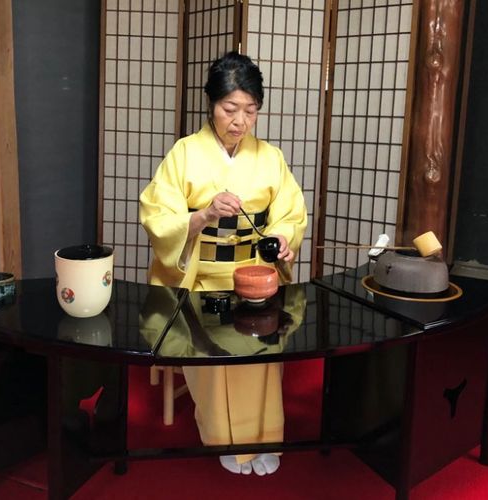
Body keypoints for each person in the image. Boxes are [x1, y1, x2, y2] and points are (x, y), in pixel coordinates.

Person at [139, 51, 307, 476]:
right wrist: (204, 216)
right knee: (212, 354)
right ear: (210, 104)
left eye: (251, 110)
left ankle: (266, 436)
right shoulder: (184, 154)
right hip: (200, 275)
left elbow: (290, 211)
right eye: (230, 108)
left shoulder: (270, 157)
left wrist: (283, 239)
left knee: (262, 352)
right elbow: (159, 218)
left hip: (254, 276)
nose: (240, 120)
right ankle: (221, 439)